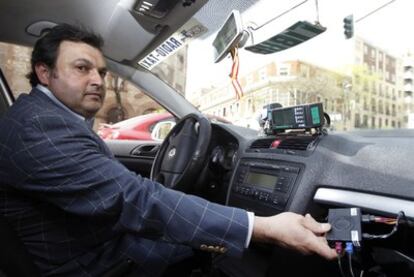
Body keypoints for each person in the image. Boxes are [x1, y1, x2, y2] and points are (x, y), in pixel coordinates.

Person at [0, 24, 336, 276]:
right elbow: (136, 199)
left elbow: (119, 188)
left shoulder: (44, 117)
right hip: (90, 263)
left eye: (101, 71)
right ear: (45, 73)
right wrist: (264, 228)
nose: (98, 80)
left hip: (86, 243)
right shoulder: (39, 127)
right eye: (81, 68)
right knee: (213, 254)